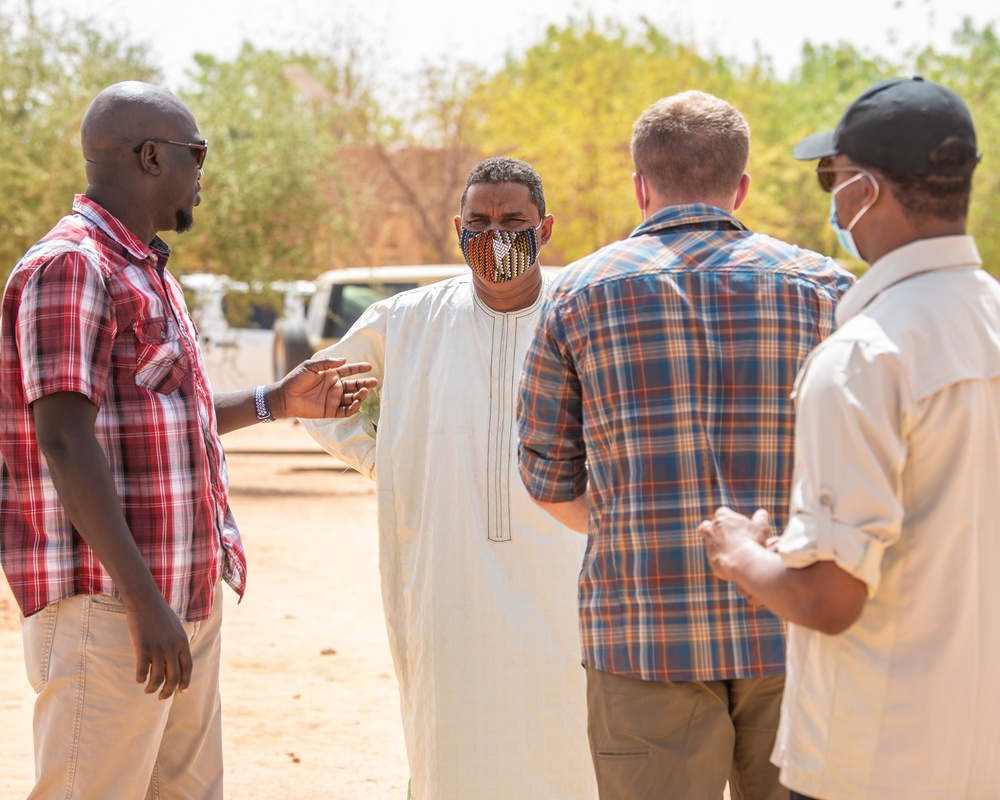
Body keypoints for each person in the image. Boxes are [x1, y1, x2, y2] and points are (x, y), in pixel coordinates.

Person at [0, 81, 376, 800]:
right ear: (150, 157)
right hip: (112, 608)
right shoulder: (71, 265)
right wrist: (144, 604)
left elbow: (168, 415)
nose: (203, 173)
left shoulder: (146, 269)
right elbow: (66, 442)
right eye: (195, 154)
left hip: (181, 601)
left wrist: (277, 402)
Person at [516, 91, 854, 800]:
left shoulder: (577, 295)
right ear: (742, 185)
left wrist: (636, 525)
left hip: (642, 634)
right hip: (796, 631)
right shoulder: (829, 290)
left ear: (641, 185)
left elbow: (547, 477)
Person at [699, 76, 999, 800]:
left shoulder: (863, 356)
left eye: (832, 176)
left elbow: (830, 601)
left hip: (876, 760)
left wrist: (741, 554)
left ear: (864, 190)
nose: (832, 197)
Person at [300, 157, 596, 799]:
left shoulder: (583, 309)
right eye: (480, 222)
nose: (495, 236)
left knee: (575, 736)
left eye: (513, 221)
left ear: (544, 230)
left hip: (567, 570)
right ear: (458, 229)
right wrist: (388, 460)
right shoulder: (408, 319)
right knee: (452, 739)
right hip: (445, 573)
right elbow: (316, 393)